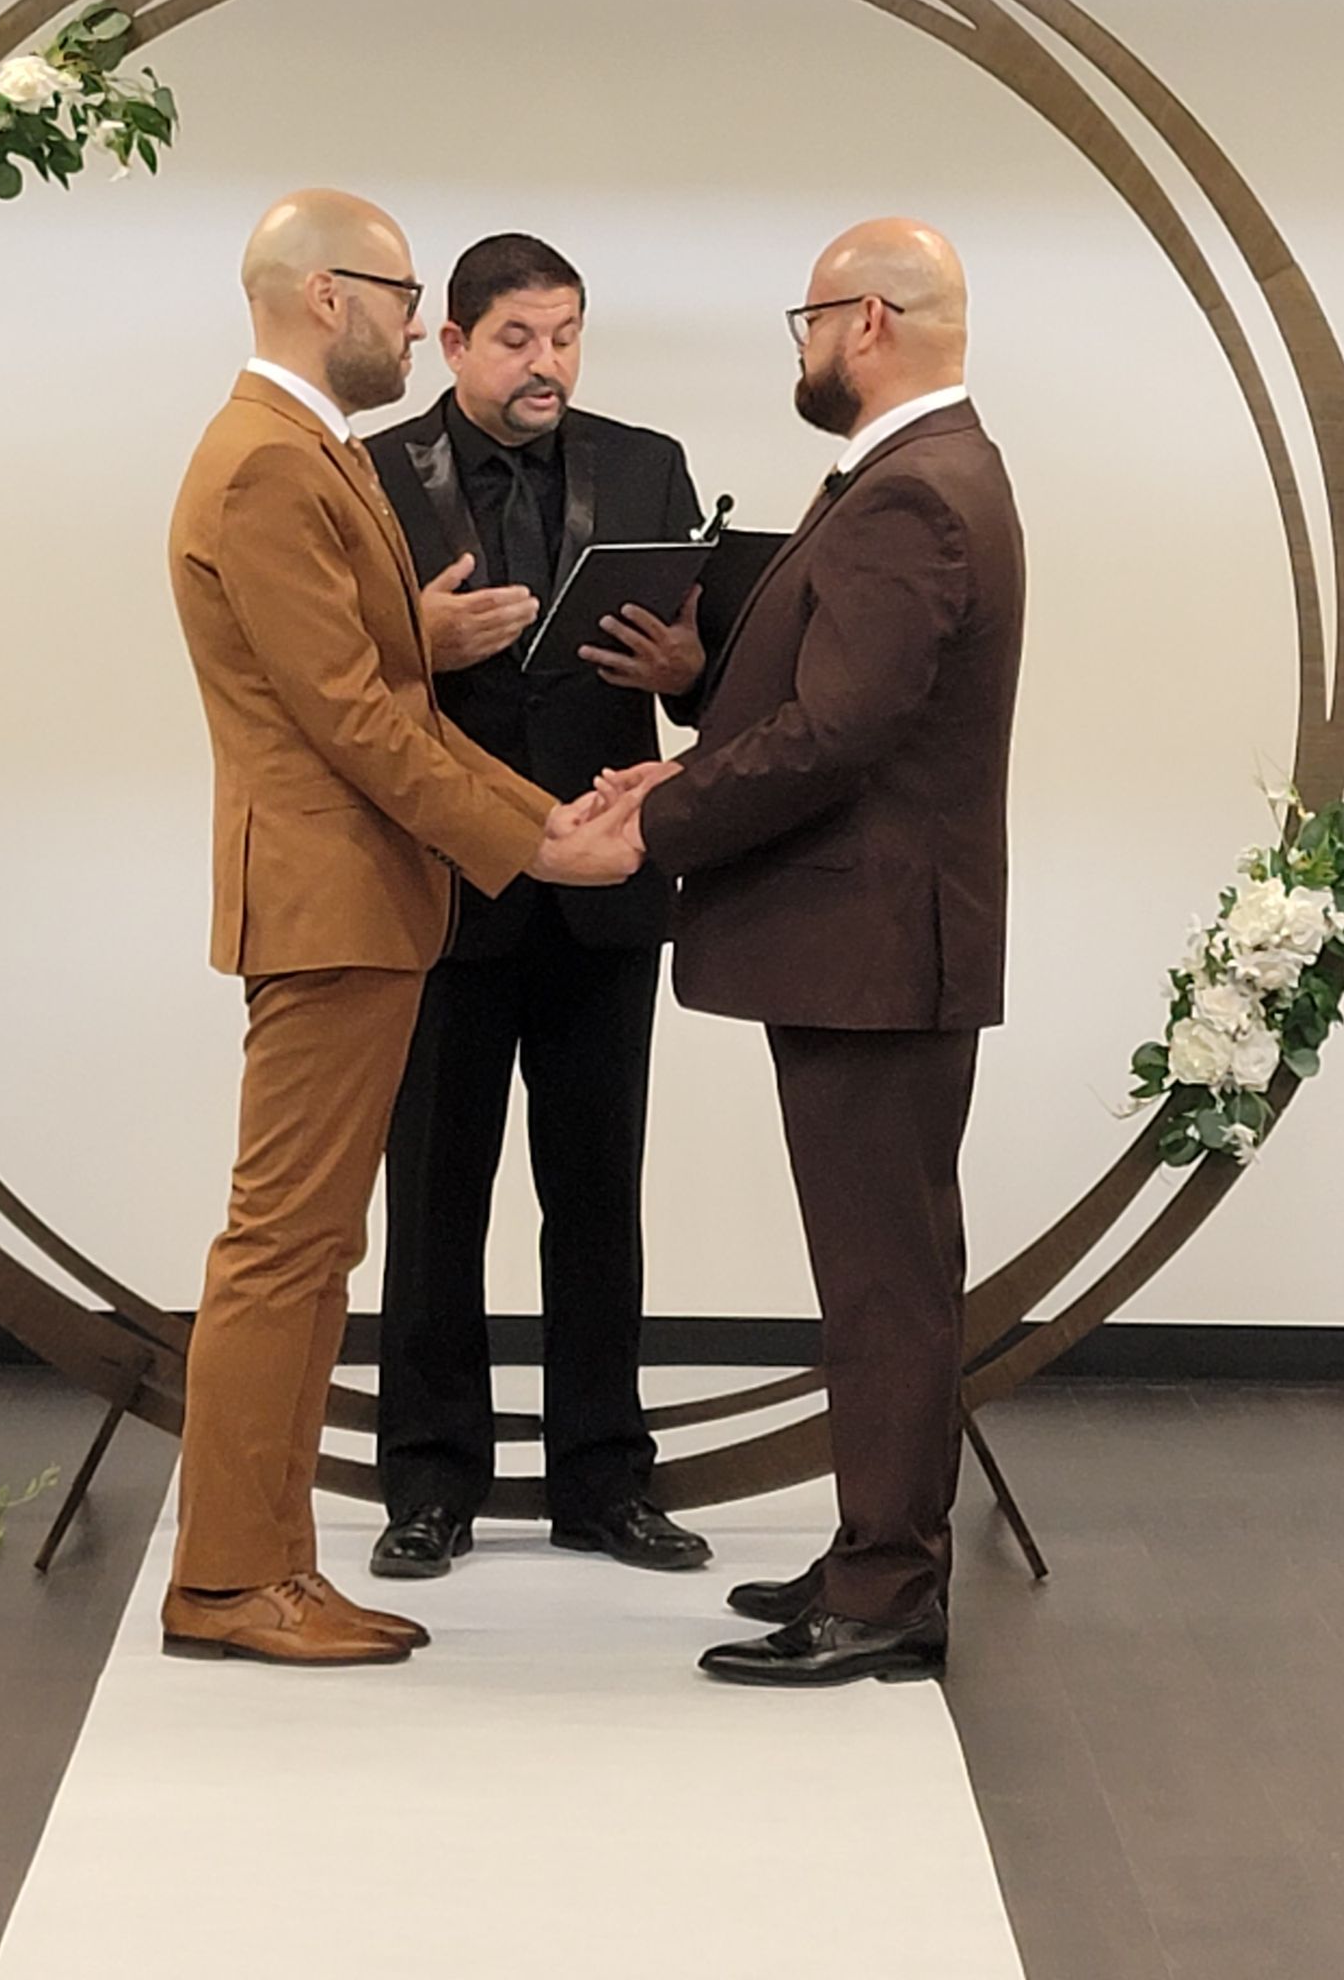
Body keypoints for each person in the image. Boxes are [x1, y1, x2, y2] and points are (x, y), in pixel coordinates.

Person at [161, 190, 643, 1670]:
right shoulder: (269, 465)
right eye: (403, 289)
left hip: (369, 898)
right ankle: (234, 1579)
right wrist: (539, 833)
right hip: (329, 897)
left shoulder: (302, 452)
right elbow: (358, 721)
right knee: (286, 1245)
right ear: (328, 296)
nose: (408, 311)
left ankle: (272, 1560)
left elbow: (365, 671)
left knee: (314, 1249)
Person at [608, 217, 1025, 1688]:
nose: (800, 346)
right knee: (877, 1268)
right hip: (870, 942)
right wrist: (705, 681)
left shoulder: (916, 493)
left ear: (868, 323)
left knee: (885, 1278)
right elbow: (835, 681)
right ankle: (873, 1548)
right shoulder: (918, 477)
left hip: (874, 945)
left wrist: (659, 817)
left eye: (807, 319)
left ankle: (894, 1587)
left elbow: (844, 733)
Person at [364, 233, 713, 1579]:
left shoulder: (647, 464)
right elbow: (331, 678)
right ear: (451, 345)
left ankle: (603, 1480)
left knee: (598, 1196)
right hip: (445, 890)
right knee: (436, 1198)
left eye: (565, 335)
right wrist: (417, 642)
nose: (547, 362)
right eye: (517, 338)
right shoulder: (375, 475)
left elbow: (693, 676)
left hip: (607, 886)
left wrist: (691, 664)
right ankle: (433, 1482)